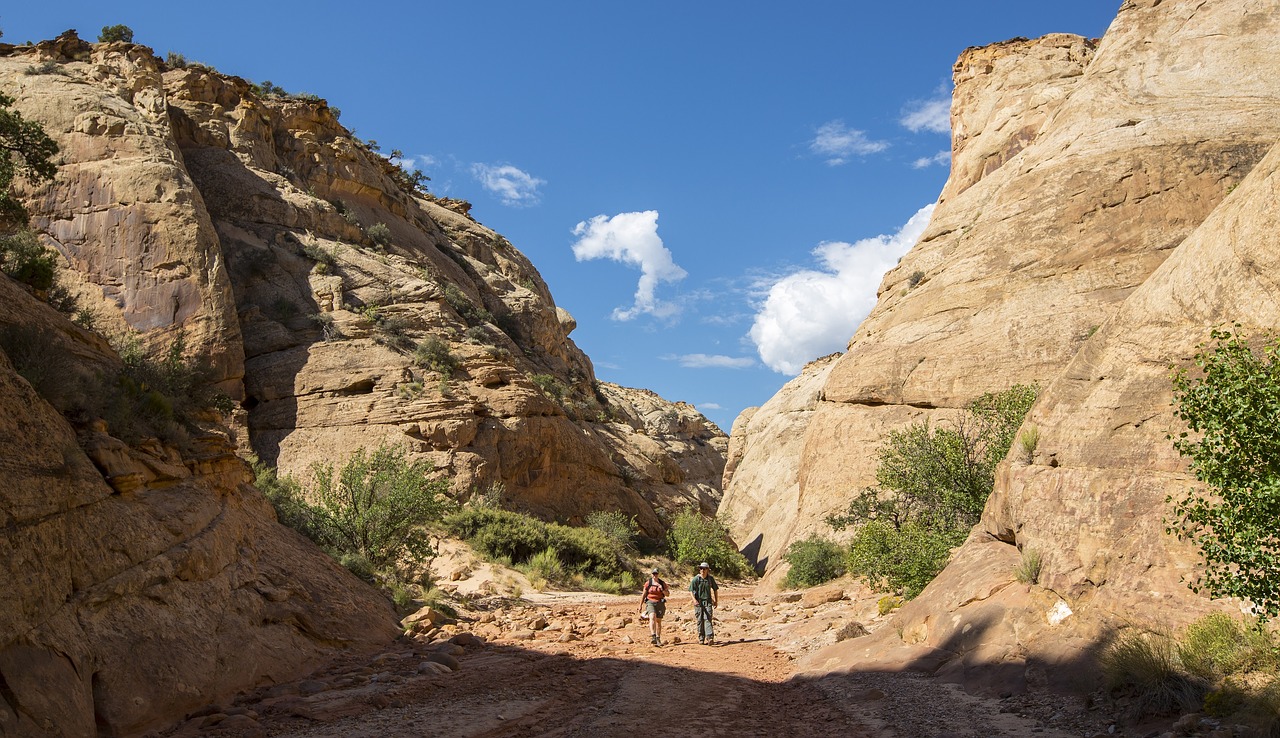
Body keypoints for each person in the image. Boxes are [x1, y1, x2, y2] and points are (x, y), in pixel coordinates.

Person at [689, 562, 718, 645]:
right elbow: (691, 590)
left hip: (708, 602)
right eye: (701, 568)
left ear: (708, 570)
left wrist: (716, 601)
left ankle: (710, 637)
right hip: (698, 603)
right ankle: (701, 638)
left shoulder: (710, 579)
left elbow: (715, 589)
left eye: (704, 568)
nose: (702, 570)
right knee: (700, 620)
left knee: (708, 618)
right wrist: (694, 600)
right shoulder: (696, 579)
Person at [639, 566, 669, 646]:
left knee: (658, 621)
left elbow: (667, 594)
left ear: (658, 574)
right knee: (652, 617)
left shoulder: (662, 583)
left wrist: (662, 589)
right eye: (654, 574)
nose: (655, 575)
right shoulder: (648, 583)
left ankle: (658, 638)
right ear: (652, 574)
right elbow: (643, 594)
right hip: (650, 602)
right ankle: (653, 636)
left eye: (656, 574)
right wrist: (640, 605)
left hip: (660, 602)